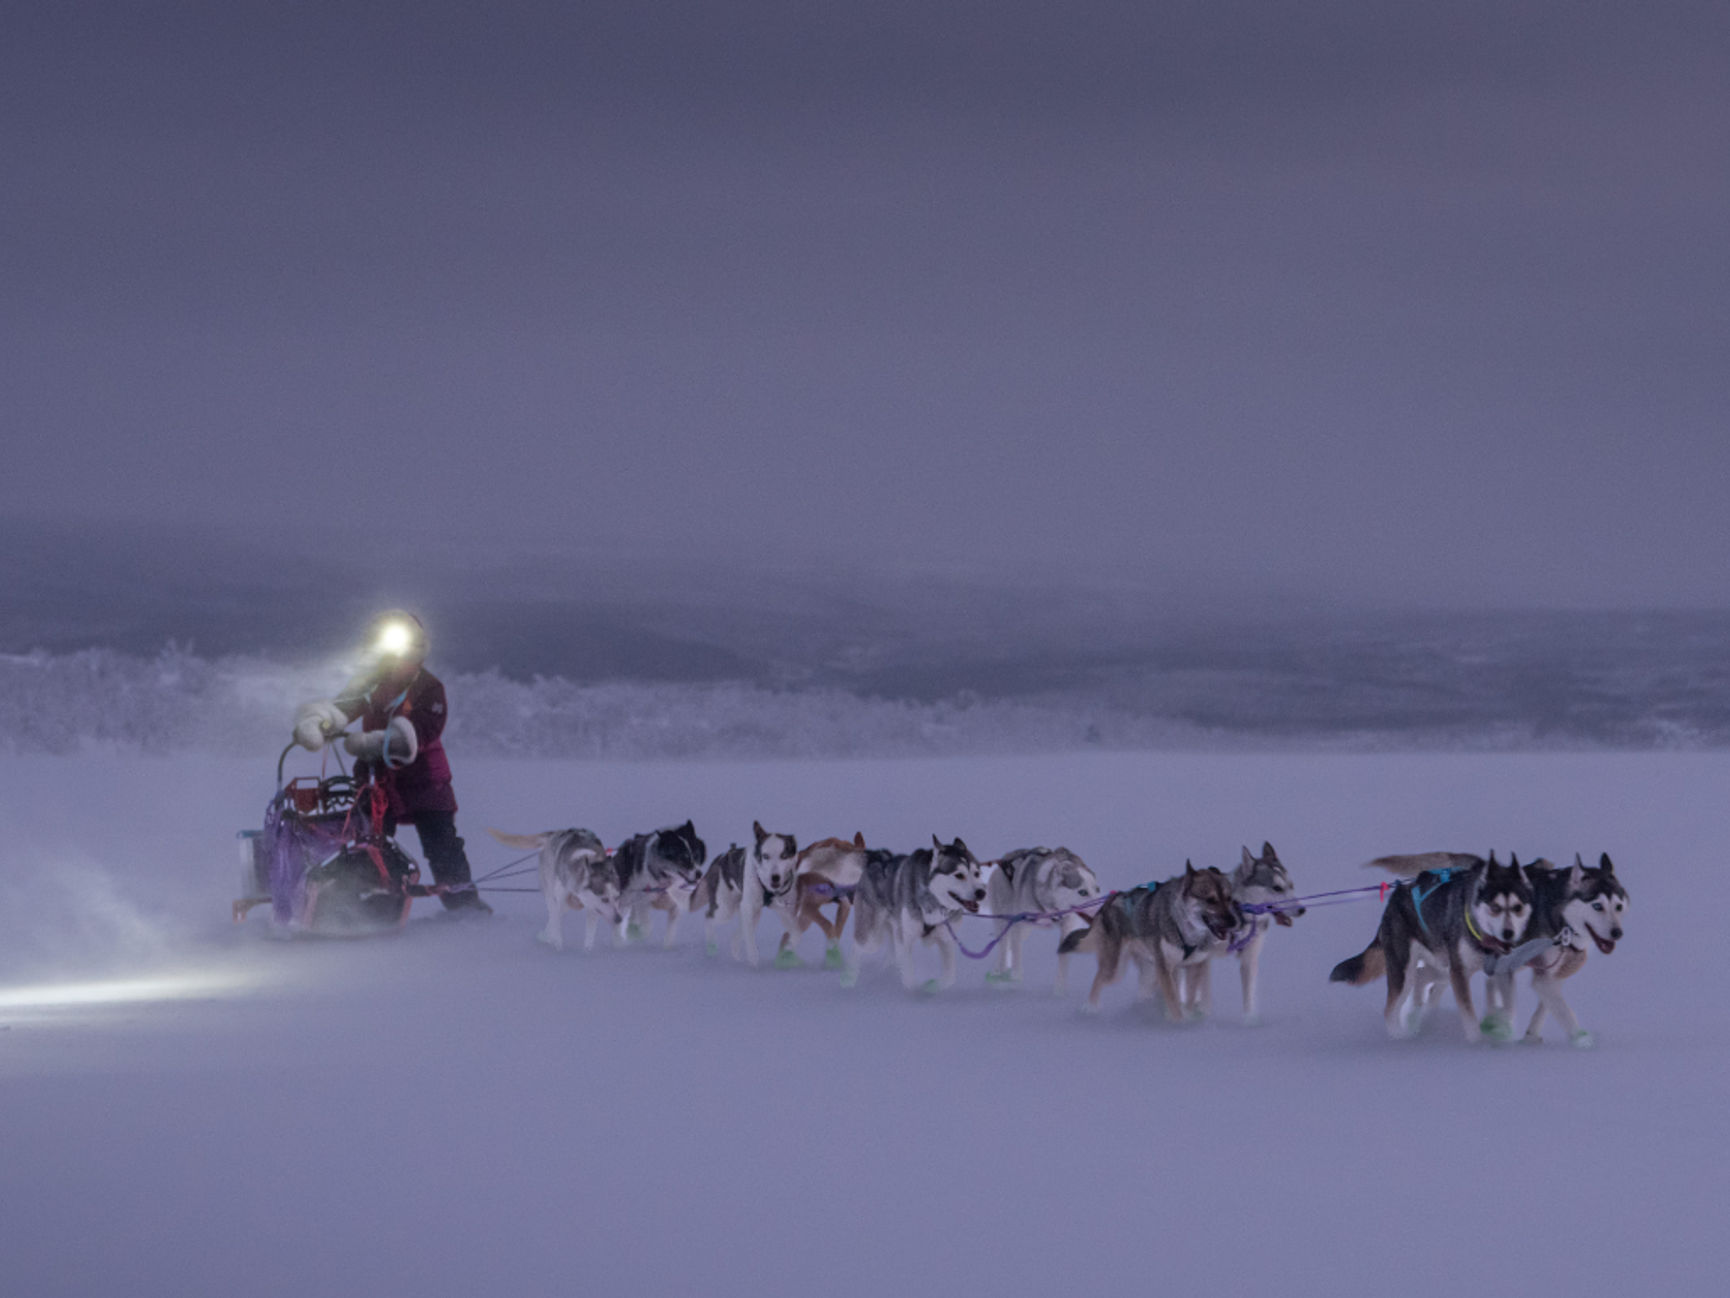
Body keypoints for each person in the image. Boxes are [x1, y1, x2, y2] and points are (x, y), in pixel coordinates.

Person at [292, 610, 491, 916]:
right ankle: (369, 906)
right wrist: (317, 722)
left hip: (425, 781)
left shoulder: (428, 687)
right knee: (368, 844)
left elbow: (424, 731)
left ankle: (465, 909)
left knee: (442, 845)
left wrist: (374, 742)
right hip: (377, 780)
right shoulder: (368, 682)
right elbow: (342, 707)